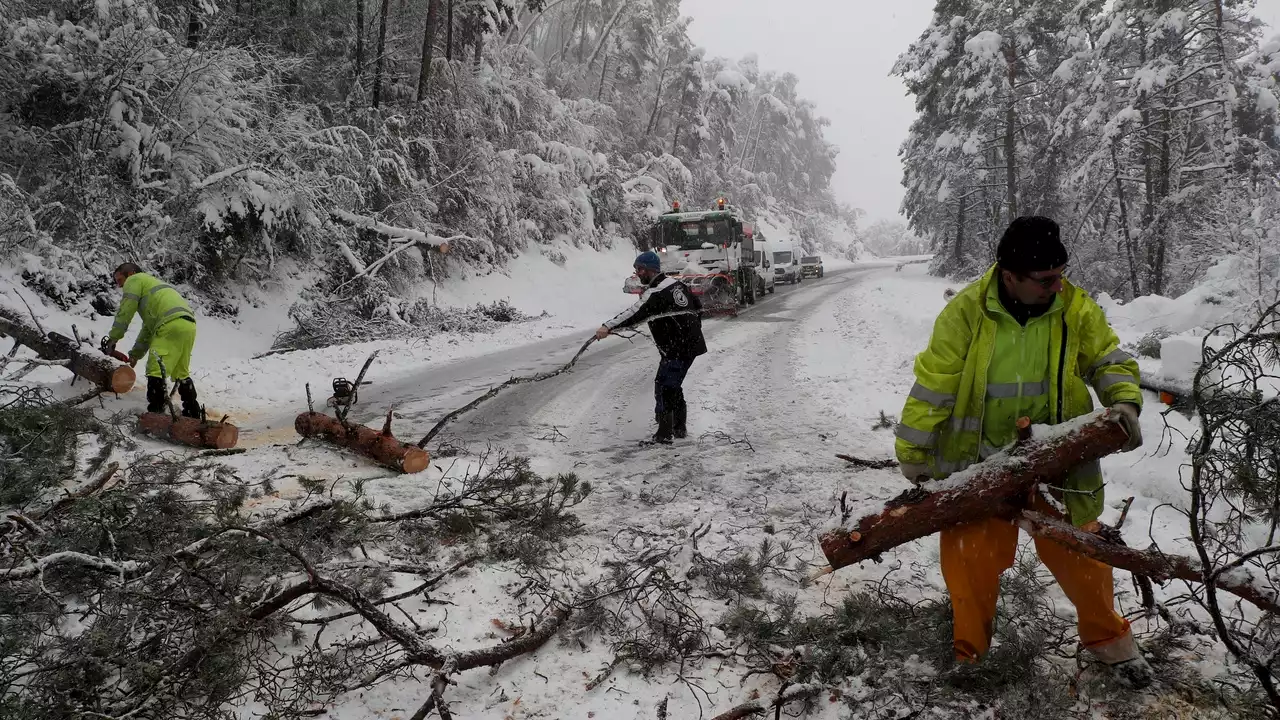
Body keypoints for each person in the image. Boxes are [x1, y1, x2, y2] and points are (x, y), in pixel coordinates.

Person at [894, 216, 1151, 688]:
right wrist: (913, 450)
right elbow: (935, 383)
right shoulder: (968, 312)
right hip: (981, 467)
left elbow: (1107, 358)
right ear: (1009, 274)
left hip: (1059, 464)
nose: (1057, 287)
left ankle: (1113, 647)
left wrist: (1125, 401)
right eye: (1045, 279)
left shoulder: (1075, 306)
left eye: (1060, 275)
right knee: (970, 566)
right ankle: (971, 660)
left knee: (1085, 560)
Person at [596, 252, 707, 444]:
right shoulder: (676, 284)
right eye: (636, 269)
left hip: (677, 347)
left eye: (640, 269)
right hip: (689, 344)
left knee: (664, 386)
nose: (637, 273)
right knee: (672, 385)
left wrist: (608, 326)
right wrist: (691, 330)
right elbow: (698, 307)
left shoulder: (656, 292)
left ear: (651, 269)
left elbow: (634, 313)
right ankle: (678, 428)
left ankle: (665, 434)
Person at [103, 263, 202, 418]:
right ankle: (192, 411)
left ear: (130, 273)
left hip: (169, 324)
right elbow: (148, 331)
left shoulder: (135, 280)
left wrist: (113, 337)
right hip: (188, 325)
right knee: (180, 371)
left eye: (119, 280)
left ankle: (156, 413)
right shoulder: (153, 288)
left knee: (155, 366)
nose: (119, 285)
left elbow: (125, 311)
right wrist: (135, 354)